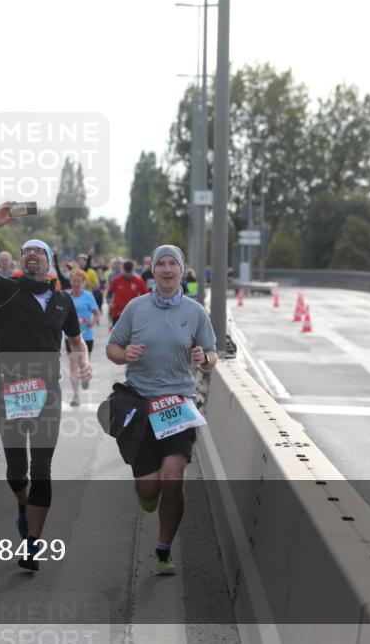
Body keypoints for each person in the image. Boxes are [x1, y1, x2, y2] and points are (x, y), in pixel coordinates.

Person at [0, 203, 91, 572]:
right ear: (22, 261)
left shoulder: (63, 301)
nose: (32, 254)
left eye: (39, 251)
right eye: (26, 251)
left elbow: (76, 340)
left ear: (50, 263)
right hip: (9, 390)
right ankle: (23, 506)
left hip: (47, 392)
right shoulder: (6, 289)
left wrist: (83, 360)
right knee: (16, 471)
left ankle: (33, 543)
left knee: (41, 468)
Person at [105, 245, 218, 576]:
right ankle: (147, 495)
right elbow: (112, 348)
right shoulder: (136, 308)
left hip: (177, 404)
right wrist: (126, 354)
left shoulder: (195, 312)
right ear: (153, 271)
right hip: (140, 405)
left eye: (173, 264)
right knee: (149, 489)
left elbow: (212, 356)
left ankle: (164, 549)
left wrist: (203, 358)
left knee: (172, 480)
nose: (167, 270)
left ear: (181, 270)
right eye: (161, 264)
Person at [65, 269, 100, 407]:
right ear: (70, 281)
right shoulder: (66, 296)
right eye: (74, 281)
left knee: (83, 363)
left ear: (84, 283)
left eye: (78, 281)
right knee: (73, 365)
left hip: (86, 336)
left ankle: (85, 377)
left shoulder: (88, 296)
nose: (75, 284)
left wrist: (92, 322)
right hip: (70, 337)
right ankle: (76, 396)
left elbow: (96, 312)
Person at [107, 259, 147, 328]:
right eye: (126, 271)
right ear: (123, 269)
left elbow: (145, 295)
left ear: (133, 269)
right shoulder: (116, 280)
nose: (128, 274)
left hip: (133, 312)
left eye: (129, 271)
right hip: (117, 312)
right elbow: (109, 293)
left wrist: (142, 306)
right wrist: (109, 302)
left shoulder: (139, 281)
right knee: (117, 333)